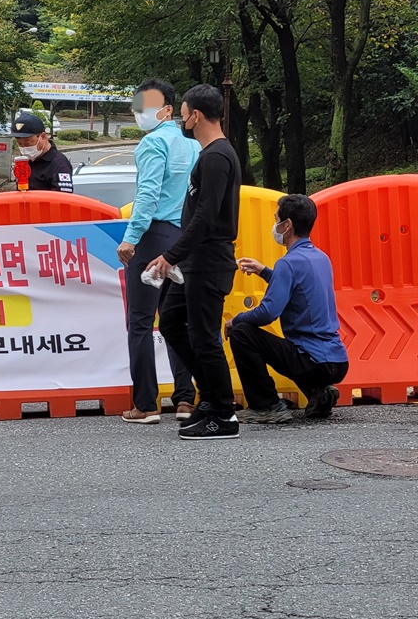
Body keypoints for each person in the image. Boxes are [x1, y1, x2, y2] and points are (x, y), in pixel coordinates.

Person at [146, 84, 243, 441]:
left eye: (183, 112)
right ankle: (211, 397)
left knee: (204, 337)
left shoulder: (217, 156)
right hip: (191, 261)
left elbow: (205, 215)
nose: (181, 118)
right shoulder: (209, 154)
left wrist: (171, 254)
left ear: (195, 116)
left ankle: (224, 414)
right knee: (171, 322)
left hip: (208, 260)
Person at [115, 79, 200, 424]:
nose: (141, 113)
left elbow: (147, 196)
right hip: (183, 239)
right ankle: (184, 400)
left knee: (140, 321)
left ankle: (146, 404)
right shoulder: (193, 147)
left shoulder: (152, 144)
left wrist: (131, 237)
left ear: (167, 109)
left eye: (147, 106)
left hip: (152, 237)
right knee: (176, 320)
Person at [225, 194, 349, 422]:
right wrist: (265, 272)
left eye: (276, 219)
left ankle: (266, 406)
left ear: (287, 225)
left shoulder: (288, 263)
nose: (275, 226)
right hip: (337, 361)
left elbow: (268, 313)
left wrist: (236, 319)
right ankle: (318, 392)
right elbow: (299, 291)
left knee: (242, 333)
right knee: (296, 346)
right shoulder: (320, 258)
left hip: (312, 361)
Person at [11, 112, 73, 193]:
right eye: (20, 144)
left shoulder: (59, 165)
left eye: (28, 143)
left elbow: (62, 200)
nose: (24, 148)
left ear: (43, 136)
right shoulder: (27, 161)